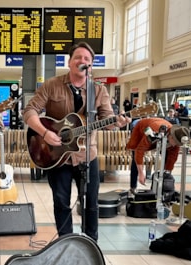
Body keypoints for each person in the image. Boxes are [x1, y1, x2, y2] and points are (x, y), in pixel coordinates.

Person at [23, 42, 129, 241]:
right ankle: (66, 243)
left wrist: (118, 122)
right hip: (56, 155)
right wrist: (45, 133)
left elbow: (107, 122)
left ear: (91, 65)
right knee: (61, 202)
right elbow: (29, 111)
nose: (82, 61)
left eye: (87, 59)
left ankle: (91, 244)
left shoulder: (98, 90)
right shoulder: (51, 85)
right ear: (69, 62)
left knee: (90, 203)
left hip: (87, 156)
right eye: (78, 57)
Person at [126, 118, 190, 192]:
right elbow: (139, 151)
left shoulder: (177, 138)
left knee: (169, 155)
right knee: (135, 157)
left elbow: (172, 159)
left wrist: (166, 177)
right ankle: (133, 187)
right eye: (176, 143)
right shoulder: (154, 130)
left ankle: (159, 189)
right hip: (141, 128)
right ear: (171, 137)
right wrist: (141, 174)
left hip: (162, 134)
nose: (175, 145)